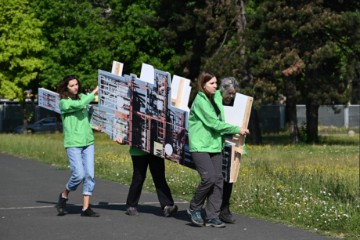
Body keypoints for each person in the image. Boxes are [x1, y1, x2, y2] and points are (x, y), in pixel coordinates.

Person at [187, 71, 249, 228]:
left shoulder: (215, 98)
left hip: (215, 145)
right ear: (203, 85)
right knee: (209, 178)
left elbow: (227, 105)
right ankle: (194, 207)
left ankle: (212, 215)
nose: (216, 86)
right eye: (212, 83)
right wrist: (237, 129)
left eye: (216, 83)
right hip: (200, 145)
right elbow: (214, 123)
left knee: (219, 181)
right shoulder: (200, 101)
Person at [56, 74, 100, 217]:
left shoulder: (82, 96)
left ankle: (85, 208)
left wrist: (93, 126)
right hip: (73, 143)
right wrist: (94, 92)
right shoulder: (64, 102)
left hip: (88, 141)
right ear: (66, 87)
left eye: (76, 84)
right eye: (72, 85)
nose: (75, 87)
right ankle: (64, 195)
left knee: (90, 175)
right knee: (78, 175)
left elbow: (85, 117)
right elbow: (80, 105)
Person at [115, 139, 178, 217]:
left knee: (159, 177)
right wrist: (122, 139)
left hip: (156, 149)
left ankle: (167, 205)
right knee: (138, 178)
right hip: (139, 150)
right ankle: (131, 205)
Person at [219, 76, 241, 224]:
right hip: (215, 143)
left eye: (234, 94)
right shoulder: (215, 102)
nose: (231, 96)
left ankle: (225, 209)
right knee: (213, 177)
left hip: (232, 143)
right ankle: (211, 207)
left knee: (229, 178)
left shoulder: (237, 105)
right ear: (223, 91)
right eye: (229, 93)